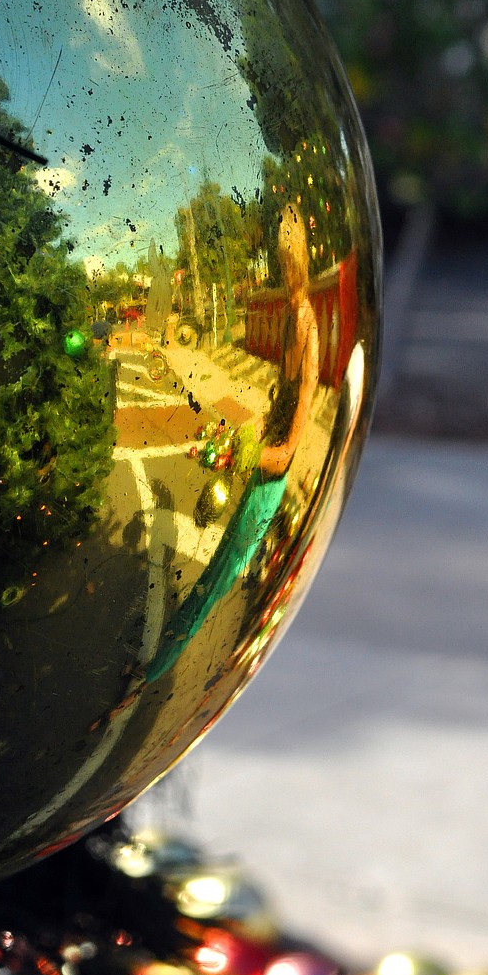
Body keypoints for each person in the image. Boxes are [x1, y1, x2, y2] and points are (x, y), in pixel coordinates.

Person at [141, 203, 319, 685]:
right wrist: (237, 438)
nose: (286, 273)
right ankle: (189, 651)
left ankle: (176, 663)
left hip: (273, 468)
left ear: (300, 261)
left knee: (226, 569)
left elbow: (298, 419)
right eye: (281, 265)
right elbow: (281, 399)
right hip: (266, 458)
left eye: (289, 263)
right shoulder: (290, 315)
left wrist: (257, 453)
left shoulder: (305, 321)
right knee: (230, 559)